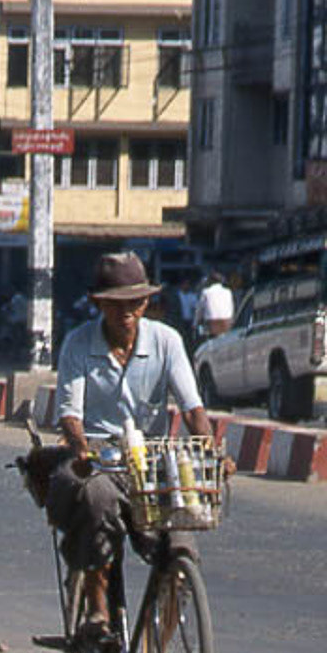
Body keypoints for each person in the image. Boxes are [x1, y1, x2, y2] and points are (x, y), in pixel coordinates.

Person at [49, 253, 230, 633]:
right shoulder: (78, 344)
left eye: (135, 302)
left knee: (181, 552)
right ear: (99, 303)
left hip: (154, 463)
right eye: (116, 303)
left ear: (147, 303)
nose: (126, 312)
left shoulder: (166, 342)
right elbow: (70, 414)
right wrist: (81, 448)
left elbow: (193, 408)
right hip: (102, 459)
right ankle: (97, 607)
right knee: (95, 499)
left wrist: (210, 452)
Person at [196, 271, 234, 340]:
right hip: (227, 321)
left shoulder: (206, 292)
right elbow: (231, 307)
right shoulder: (228, 292)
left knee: (212, 341)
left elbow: (200, 309)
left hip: (212, 322)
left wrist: (196, 321)